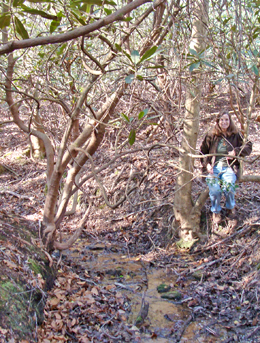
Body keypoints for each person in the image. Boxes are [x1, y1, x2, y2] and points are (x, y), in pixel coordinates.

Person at [200, 110, 252, 224]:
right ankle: (216, 211)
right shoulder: (211, 135)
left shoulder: (236, 135)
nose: (224, 122)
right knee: (215, 190)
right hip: (213, 168)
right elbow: (202, 153)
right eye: (222, 120)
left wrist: (235, 152)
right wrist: (207, 164)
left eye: (226, 120)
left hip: (229, 168)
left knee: (228, 187)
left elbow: (248, 146)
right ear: (218, 121)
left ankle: (230, 208)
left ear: (230, 121)